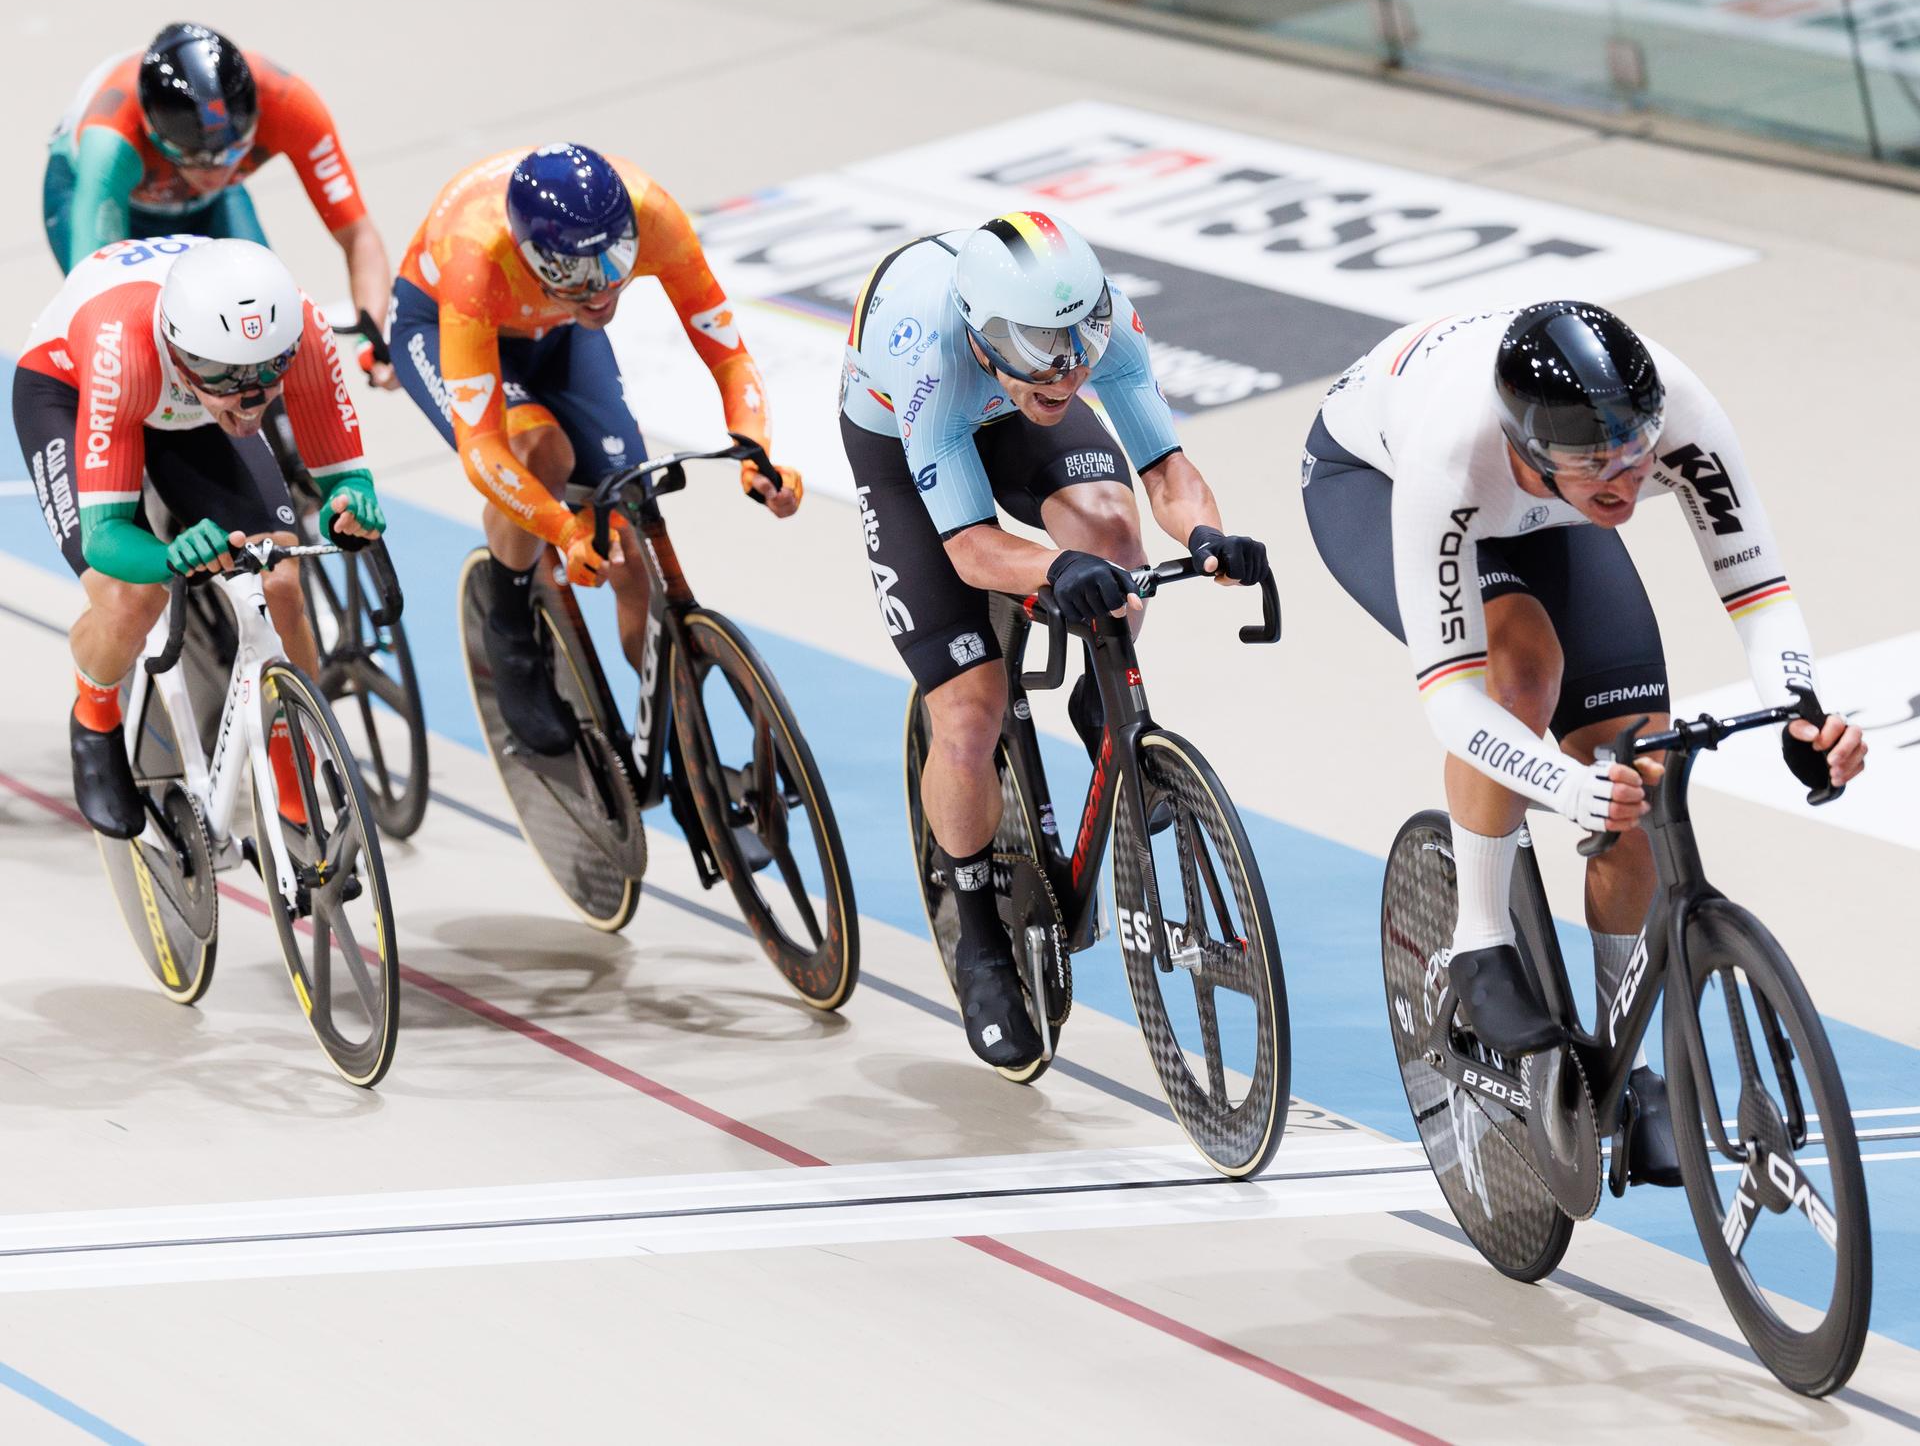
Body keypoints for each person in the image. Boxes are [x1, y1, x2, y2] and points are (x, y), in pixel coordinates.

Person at [1300, 299, 1867, 1184]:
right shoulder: (1452, 455)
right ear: (1530, 451)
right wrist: (1563, 789)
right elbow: (1453, 700)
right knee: (1519, 675)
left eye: (1638, 459)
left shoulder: (1672, 410)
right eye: (1597, 466)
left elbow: (1757, 588)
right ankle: (1480, 937)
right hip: (1370, 477)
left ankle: (1623, 1064)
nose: (1627, 484)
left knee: (1642, 762)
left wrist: (1802, 710)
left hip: (1539, 509)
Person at [841, 211, 1268, 1074]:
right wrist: (1053, 567)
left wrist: (1210, 537)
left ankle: (1099, 698)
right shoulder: (933, 357)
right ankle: (978, 940)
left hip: (1003, 408)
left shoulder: (1086, 337)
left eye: (1080, 343)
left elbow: (1166, 474)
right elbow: (968, 548)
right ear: (987, 334)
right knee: (969, 713)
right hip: (907, 438)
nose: (1067, 367)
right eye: (1042, 348)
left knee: (1112, 533)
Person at [390, 142, 800, 756]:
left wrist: (755, 448)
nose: (603, 289)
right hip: (447, 322)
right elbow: (483, 450)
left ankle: (676, 732)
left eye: (616, 261)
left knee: (628, 526)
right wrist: (561, 528)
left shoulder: (651, 214)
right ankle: (509, 631)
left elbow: (731, 355)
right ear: (530, 257)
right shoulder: (475, 258)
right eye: (576, 274)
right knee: (543, 454)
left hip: (555, 329)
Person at [12, 235, 387, 838]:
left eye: (271, 373)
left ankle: (297, 769)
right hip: (76, 389)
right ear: (181, 349)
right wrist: (166, 557)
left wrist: (355, 496)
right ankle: (95, 709)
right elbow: (106, 537)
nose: (250, 395)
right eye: (228, 377)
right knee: (131, 597)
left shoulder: (297, 327)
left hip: (185, 402)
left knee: (282, 575)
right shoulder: (124, 350)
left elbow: (342, 467)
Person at [43, 22, 396, 389]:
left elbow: (358, 236)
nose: (218, 170)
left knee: (267, 323)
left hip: (209, 203)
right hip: (103, 200)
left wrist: (374, 337)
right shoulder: (111, 143)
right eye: (198, 160)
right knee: (134, 360)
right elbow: (92, 299)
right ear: (151, 134)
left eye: (235, 153)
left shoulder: (289, 102)